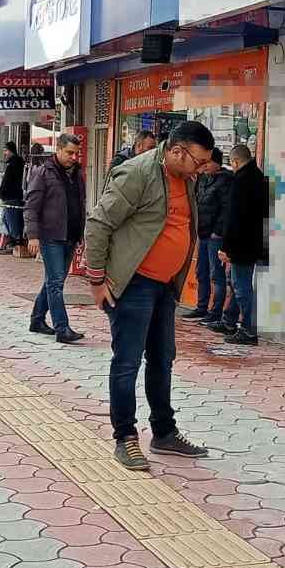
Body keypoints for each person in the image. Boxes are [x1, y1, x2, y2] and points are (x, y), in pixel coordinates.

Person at [84, 120, 215, 471]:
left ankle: (163, 431)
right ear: (176, 151)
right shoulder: (137, 173)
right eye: (198, 162)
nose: (201, 170)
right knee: (127, 361)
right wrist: (96, 280)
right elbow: (99, 223)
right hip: (134, 284)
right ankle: (125, 437)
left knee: (162, 358)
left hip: (164, 285)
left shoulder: (184, 179)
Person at [24, 133, 87, 343]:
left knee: (54, 280)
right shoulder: (43, 173)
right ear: (58, 150)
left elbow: (80, 203)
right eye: (69, 153)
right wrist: (32, 235)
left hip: (71, 234)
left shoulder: (77, 174)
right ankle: (62, 328)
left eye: (76, 153)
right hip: (51, 235)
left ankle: (37, 319)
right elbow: (31, 206)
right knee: (56, 283)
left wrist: (81, 232)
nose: (73, 157)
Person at [214, 143, 269, 346]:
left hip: (241, 245)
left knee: (241, 286)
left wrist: (225, 248)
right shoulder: (260, 178)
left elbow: (233, 218)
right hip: (255, 243)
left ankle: (248, 329)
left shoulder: (241, 181)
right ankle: (231, 321)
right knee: (242, 284)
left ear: (235, 161)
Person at [184, 148, 232, 323]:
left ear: (217, 163)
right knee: (201, 271)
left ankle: (215, 312)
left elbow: (226, 210)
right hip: (202, 232)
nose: (204, 166)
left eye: (208, 163)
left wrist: (217, 231)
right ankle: (201, 307)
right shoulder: (203, 179)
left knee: (216, 274)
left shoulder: (226, 181)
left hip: (215, 235)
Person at [0, 141, 26, 247]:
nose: (4, 153)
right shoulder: (12, 163)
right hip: (9, 196)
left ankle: (16, 241)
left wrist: (2, 191)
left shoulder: (15, 163)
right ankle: (14, 239)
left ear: (11, 151)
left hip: (12, 196)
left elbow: (10, 181)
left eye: (6, 150)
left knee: (12, 219)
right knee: (6, 219)